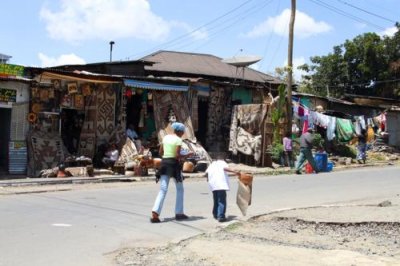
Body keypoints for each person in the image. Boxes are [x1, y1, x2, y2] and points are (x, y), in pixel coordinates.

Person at [150, 122, 193, 223]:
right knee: (180, 189)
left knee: (163, 189)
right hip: (174, 165)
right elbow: (177, 156)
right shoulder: (178, 140)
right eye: (182, 132)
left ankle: (155, 213)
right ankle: (179, 213)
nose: (183, 134)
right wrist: (187, 155)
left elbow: (160, 152)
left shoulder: (165, 138)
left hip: (164, 163)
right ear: (180, 132)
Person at [205, 157, 240, 222]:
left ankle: (215, 214)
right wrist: (235, 172)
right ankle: (221, 216)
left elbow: (206, 174)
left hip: (213, 185)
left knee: (216, 200)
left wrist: (209, 180)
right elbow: (226, 168)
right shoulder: (222, 163)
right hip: (220, 185)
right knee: (221, 200)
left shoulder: (212, 164)